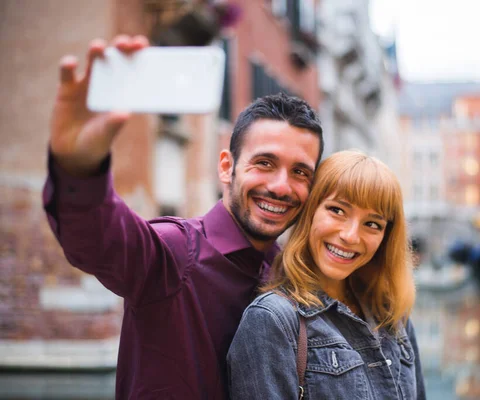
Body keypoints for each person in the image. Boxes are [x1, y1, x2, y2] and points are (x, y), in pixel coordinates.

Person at [43, 35, 323, 399]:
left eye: (300, 172)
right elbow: (99, 239)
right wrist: (78, 167)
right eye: (264, 163)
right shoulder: (174, 253)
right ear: (227, 167)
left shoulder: (289, 275)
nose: (282, 187)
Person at [228, 150, 426, 399]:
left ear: (386, 238)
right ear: (311, 211)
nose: (350, 236)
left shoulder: (394, 315)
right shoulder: (273, 320)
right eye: (337, 210)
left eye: (372, 224)